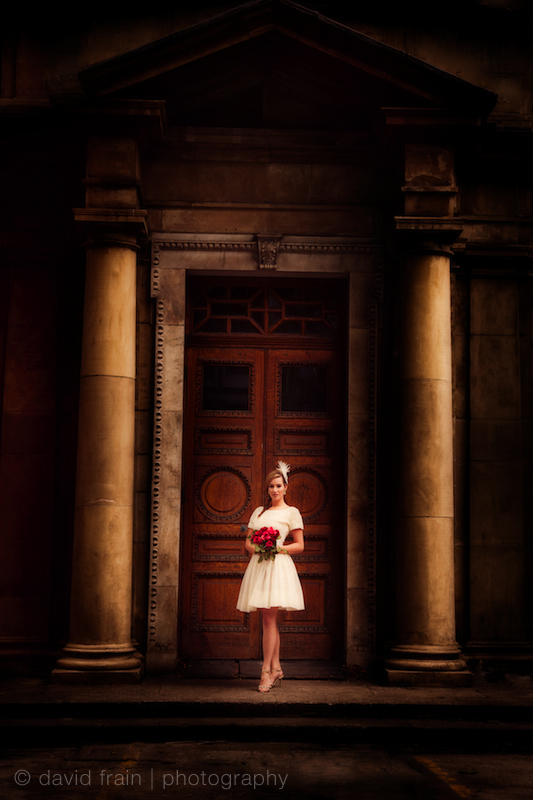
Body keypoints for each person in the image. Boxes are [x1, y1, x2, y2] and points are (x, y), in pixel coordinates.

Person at [236, 461, 305, 692]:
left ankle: (266, 671)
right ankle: (276, 668)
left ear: (286, 487)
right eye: (271, 487)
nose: (274, 490)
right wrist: (259, 548)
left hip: (278, 567)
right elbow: (248, 542)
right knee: (269, 619)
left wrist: (276, 548)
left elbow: (299, 545)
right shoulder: (259, 512)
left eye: (278, 486)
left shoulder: (292, 512)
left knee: (268, 619)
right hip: (260, 566)